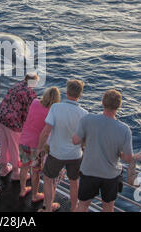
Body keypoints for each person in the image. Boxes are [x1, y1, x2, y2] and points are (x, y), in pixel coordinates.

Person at [72, 89, 141, 212]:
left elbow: (75, 141)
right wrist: (130, 155)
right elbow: (127, 158)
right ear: (119, 106)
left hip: (89, 171)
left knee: (83, 205)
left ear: (102, 103)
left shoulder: (87, 120)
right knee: (108, 207)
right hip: (111, 175)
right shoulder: (124, 129)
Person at [36, 80, 88, 212]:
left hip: (56, 153)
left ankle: (48, 209)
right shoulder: (84, 114)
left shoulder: (56, 108)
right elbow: (84, 140)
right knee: (74, 182)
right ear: (80, 95)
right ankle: (73, 208)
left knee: (48, 179)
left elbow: (46, 131)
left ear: (66, 92)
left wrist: (39, 148)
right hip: (75, 155)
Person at [19, 86, 61, 203]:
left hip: (24, 140)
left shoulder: (35, 102)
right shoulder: (52, 112)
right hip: (36, 145)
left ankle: (22, 190)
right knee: (36, 172)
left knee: (24, 166)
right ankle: (35, 195)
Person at [0, 73, 38, 181]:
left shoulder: (16, 85)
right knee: (14, 147)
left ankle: (4, 169)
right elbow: (29, 113)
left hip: (0, 115)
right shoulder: (30, 93)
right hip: (13, 122)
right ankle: (16, 173)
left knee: (4, 143)